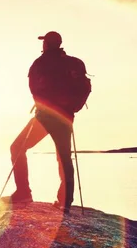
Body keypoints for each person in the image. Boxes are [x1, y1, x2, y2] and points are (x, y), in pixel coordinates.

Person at [9, 31, 84, 213]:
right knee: (64, 156)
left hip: (45, 116)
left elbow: (34, 89)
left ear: (47, 44)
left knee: (17, 147)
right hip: (66, 117)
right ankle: (65, 201)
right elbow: (83, 86)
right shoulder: (74, 63)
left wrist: (42, 106)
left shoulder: (40, 64)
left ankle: (23, 193)